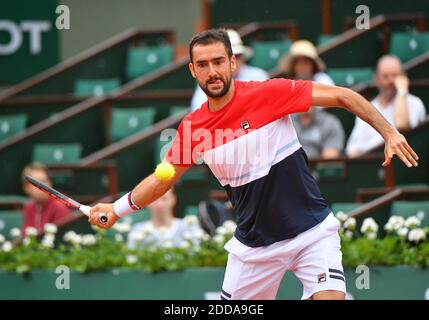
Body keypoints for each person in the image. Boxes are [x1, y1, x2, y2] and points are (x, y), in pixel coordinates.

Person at [89, 29, 419, 300]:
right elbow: (161, 182)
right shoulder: (193, 130)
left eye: (218, 61)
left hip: (312, 232)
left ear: (233, 63)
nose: (212, 71)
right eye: (202, 65)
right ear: (192, 70)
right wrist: (116, 210)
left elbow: (343, 96)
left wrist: (389, 131)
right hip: (254, 248)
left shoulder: (269, 94)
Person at [346, 55, 426, 156]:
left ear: (403, 77)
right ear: (376, 79)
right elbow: (352, 150)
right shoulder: (366, 106)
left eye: (395, 76)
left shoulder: (414, 103)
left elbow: (402, 126)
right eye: (385, 76)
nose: (391, 81)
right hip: (371, 162)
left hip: (399, 163)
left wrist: (402, 92)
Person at [281, 40, 344, 158]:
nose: (302, 66)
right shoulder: (284, 122)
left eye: (305, 62)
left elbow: (329, 160)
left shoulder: (330, 123)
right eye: (298, 62)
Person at [190, 29, 269, 111]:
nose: (235, 61)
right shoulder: (209, 82)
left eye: (238, 56)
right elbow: (197, 110)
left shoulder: (258, 75)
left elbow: (265, 107)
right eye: (218, 62)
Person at [127, 188, 202, 248]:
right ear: (147, 202)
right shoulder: (137, 230)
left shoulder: (189, 227)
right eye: (154, 199)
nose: (159, 204)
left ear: (173, 199)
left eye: (164, 199)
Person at [21, 163, 72, 236]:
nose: (42, 186)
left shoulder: (59, 207)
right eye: (36, 183)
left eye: (44, 181)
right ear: (26, 187)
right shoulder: (28, 207)